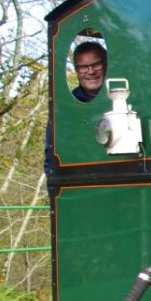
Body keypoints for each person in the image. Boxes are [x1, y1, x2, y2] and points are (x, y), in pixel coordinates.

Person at [44, 41, 108, 192]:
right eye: (84, 67)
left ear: (106, 65)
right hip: (83, 187)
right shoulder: (65, 109)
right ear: (76, 71)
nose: (91, 71)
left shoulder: (123, 96)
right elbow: (51, 157)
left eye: (96, 64)